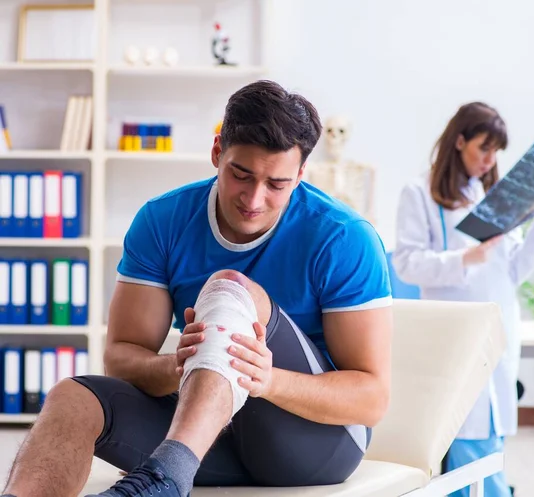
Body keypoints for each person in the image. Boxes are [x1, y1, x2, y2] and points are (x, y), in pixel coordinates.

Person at [2, 81, 393, 497]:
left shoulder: (343, 237)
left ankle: (165, 478)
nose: (254, 199)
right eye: (240, 174)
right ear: (216, 153)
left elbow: (371, 399)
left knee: (229, 287)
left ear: (299, 176)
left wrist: (267, 380)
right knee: (72, 397)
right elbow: (121, 356)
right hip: (207, 437)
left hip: (310, 444)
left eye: (277, 184)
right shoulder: (162, 220)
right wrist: (179, 365)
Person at [392, 102, 534, 497]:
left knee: (489, 440)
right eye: (483, 148)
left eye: (497, 152)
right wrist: (466, 258)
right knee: (463, 448)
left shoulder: (496, 198)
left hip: (498, 334)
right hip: (452, 337)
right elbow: (406, 264)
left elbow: (513, 272)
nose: (490, 160)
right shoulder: (419, 193)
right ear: (459, 140)